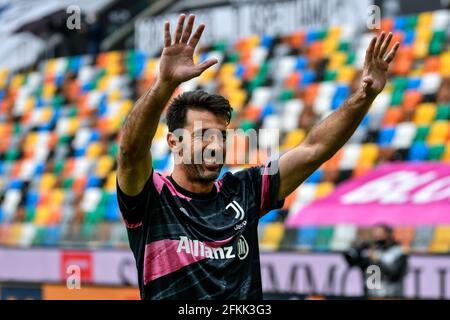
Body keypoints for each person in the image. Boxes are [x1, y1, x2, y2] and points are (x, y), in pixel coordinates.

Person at [116, 13, 400, 299]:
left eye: (220, 136)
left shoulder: (244, 190)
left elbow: (314, 149)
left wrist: (364, 97)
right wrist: (163, 84)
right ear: (174, 142)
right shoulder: (152, 198)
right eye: (202, 135)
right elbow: (130, 152)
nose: (215, 145)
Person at [344, 224, 408, 298]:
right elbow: (355, 263)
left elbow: (394, 273)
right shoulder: (371, 250)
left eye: (380, 235)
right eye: (375, 235)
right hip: (371, 294)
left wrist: (378, 260)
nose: (377, 238)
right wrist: (354, 250)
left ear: (388, 235)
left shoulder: (398, 251)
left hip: (391, 295)